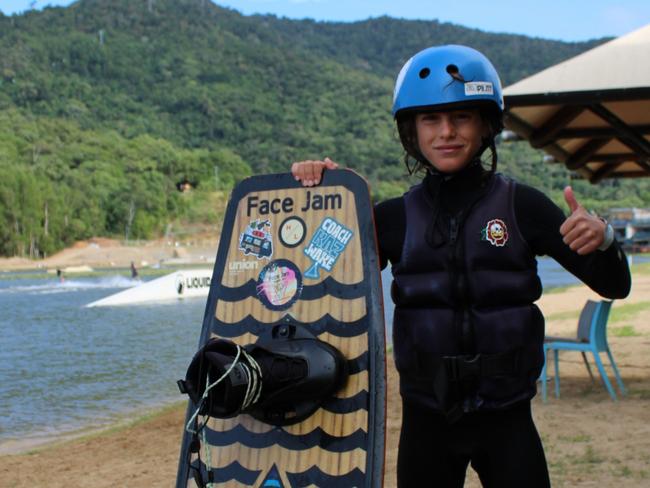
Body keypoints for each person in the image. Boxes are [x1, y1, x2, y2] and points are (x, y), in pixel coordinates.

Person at [290, 45, 631, 487]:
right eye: (431, 119)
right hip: (425, 421)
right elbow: (312, 282)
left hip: (508, 420)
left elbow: (615, 284)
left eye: (461, 117)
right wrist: (328, 199)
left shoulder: (523, 206)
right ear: (411, 131)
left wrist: (604, 239)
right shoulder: (390, 218)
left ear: (486, 124)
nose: (446, 132)